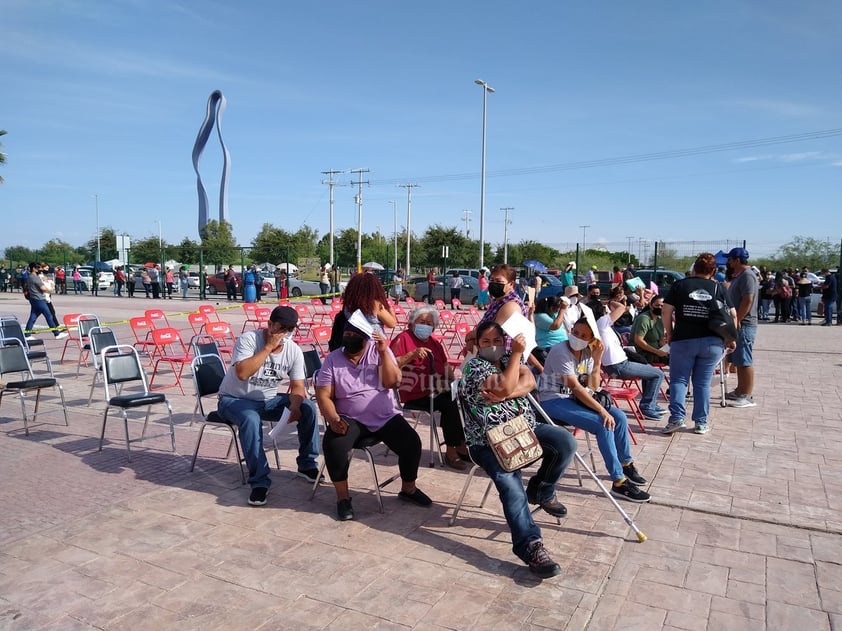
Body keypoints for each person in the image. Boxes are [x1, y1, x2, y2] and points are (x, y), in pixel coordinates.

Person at [459, 321, 576, 579]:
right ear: (477, 345)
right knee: (509, 482)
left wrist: (508, 388)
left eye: (497, 341)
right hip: (489, 441)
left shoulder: (507, 362)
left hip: (524, 428)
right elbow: (503, 386)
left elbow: (530, 380)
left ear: (504, 341)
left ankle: (542, 489)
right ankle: (530, 546)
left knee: (564, 441)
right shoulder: (475, 367)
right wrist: (512, 364)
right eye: (486, 342)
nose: (492, 346)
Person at [315, 317, 430, 521]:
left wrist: (384, 352)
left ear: (366, 339)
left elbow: (392, 381)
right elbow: (323, 395)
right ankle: (343, 498)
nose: (350, 339)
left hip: (385, 416)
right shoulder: (333, 360)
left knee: (412, 443)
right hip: (351, 418)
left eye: (355, 336)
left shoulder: (378, 352)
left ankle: (408, 489)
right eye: (347, 335)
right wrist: (333, 418)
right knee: (334, 445)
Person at [217, 306, 322, 506]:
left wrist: (296, 404)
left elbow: (299, 386)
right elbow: (242, 373)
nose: (286, 334)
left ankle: (307, 464)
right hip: (234, 399)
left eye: (290, 329)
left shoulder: (293, 350)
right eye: (282, 328)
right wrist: (267, 348)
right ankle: (259, 481)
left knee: (308, 406)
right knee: (250, 418)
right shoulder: (249, 340)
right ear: (270, 325)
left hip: (267, 400)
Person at [539, 317, 651, 503]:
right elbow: (575, 387)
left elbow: (593, 385)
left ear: (591, 339)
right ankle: (619, 481)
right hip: (553, 400)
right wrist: (601, 410)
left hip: (575, 399)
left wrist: (597, 361)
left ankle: (626, 464)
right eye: (575, 332)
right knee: (603, 423)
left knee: (620, 416)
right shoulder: (561, 351)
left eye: (583, 335)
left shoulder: (587, 353)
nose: (577, 337)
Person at [661, 253, 737, 435]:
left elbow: (666, 310)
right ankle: (701, 422)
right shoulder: (718, 288)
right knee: (702, 383)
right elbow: (733, 314)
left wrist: (669, 333)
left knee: (679, 380)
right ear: (713, 271)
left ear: (694, 268)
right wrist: (731, 337)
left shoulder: (680, 285)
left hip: (684, 339)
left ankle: (677, 419)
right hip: (712, 341)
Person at [390, 305, 468, 469]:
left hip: (437, 388)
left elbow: (446, 366)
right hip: (415, 391)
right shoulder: (403, 338)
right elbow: (390, 364)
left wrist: (453, 384)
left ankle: (461, 442)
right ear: (412, 323)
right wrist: (411, 355)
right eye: (421, 321)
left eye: (429, 323)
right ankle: (452, 451)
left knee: (462, 397)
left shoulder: (434, 342)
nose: (425, 325)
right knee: (449, 404)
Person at [587, 298, 666, 421]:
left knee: (650, 371)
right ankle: (647, 407)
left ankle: (649, 404)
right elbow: (622, 308)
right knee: (658, 374)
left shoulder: (596, 325)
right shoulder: (601, 323)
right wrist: (609, 301)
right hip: (619, 366)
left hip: (617, 364)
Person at [329, 272, 397, 350]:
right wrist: (390, 309)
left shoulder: (348, 304)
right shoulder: (375, 304)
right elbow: (392, 323)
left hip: (351, 345)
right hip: (373, 346)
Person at [24, 262, 69, 341]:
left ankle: (27, 334)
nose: (40, 269)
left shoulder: (30, 277)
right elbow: (43, 288)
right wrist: (50, 289)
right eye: (38, 268)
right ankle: (57, 334)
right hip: (39, 299)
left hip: (34, 299)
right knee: (49, 316)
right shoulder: (35, 277)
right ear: (34, 268)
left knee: (33, 316)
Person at [631, 295, 669, 364]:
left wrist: (668, 350)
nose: (660, 308)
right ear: (651, 306)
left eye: (662, 306)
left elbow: (661, 341)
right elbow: (638, 340)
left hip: (656, 351)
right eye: (657, 305)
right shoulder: (644, 319)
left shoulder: (659, 319)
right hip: (643, 353)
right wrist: (657, 352)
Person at [532, 295, 568, 363]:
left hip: (561, 345)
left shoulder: (554, 314)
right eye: (558, 307)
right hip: (549, 347)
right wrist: (562, 309)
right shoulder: (540, 316)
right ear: (551, 308)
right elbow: (555, 325)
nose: (559, 309)